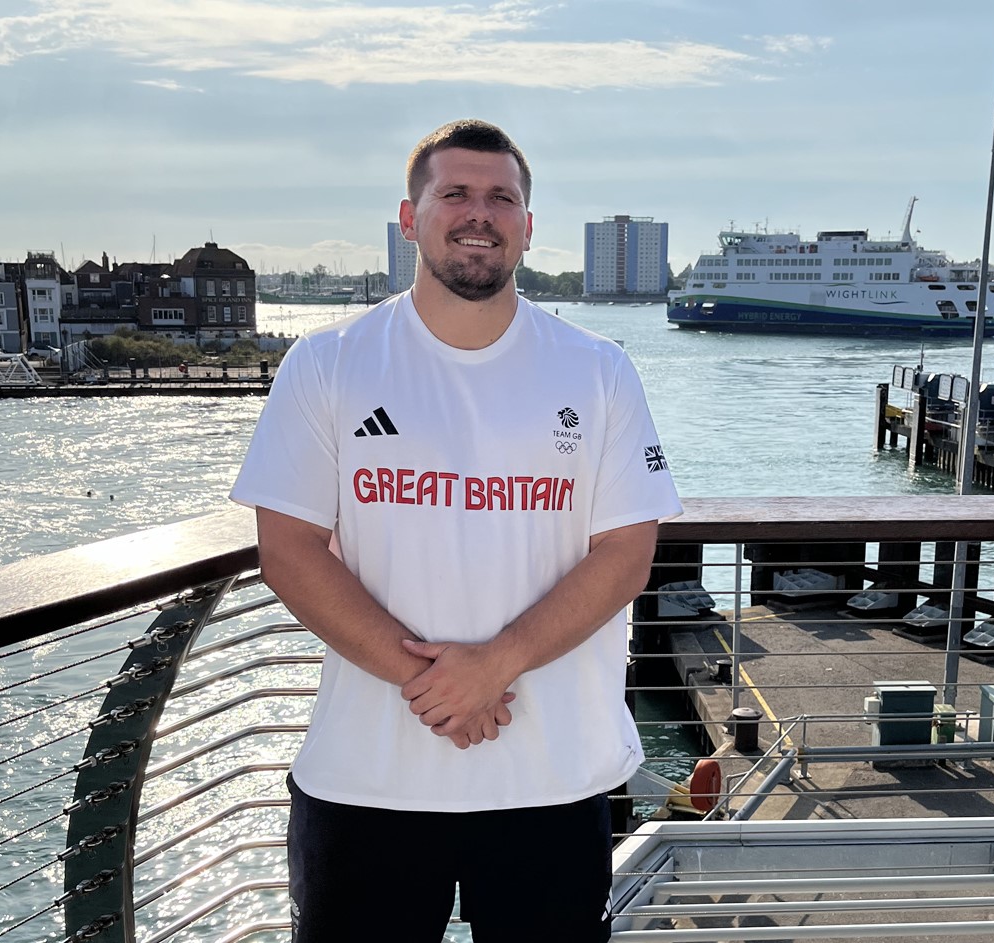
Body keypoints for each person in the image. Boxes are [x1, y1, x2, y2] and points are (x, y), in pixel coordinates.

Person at [230, 118, 682, 942]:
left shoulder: (598, 368)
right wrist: (435, 684)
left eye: (501, 197)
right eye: (456, 194)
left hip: (551, 778)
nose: (480, 213)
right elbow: (287, 550)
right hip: (367, 778)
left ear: (527, 227)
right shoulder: (328, 362)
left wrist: (495, 665)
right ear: (411, 218)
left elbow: (625, 554)